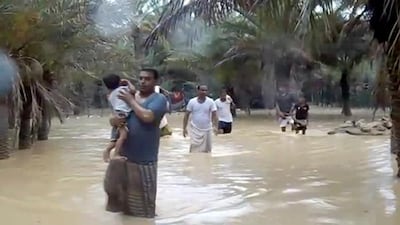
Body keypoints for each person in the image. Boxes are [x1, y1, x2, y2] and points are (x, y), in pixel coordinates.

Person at [107, 68, 167, 218]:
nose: (143, 81)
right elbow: (115, 116)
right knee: (124, 207)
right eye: (140, 78)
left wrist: (130, 101)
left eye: (147, 79)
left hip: (144, 161)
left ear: (155, 82)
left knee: (145, 209)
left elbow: (147, 117)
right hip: (124, 159)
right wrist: (113, 120)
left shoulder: (158, 99)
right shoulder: (131, 95)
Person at [102, 74, 133, 162]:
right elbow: (133, 90)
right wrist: (128, 82)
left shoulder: (110, 95)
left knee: (115, 138)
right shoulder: (122, 90)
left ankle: (107, 151)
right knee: (123, 135)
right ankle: (116, 154)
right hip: (122, 115)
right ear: (119, 82)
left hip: (116, 115)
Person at [183, 85, 218, 153]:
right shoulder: (192, 102)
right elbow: (186, 115)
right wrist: (184, 128)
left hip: (207, 129)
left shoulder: (211, 102)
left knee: (207, 151)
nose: (203, 92)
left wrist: (215, 126)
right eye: (202, 90)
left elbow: (215, 115)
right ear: (198, 91)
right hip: (195, 129)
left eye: (205, 90)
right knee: (193, 150)